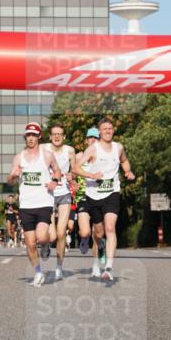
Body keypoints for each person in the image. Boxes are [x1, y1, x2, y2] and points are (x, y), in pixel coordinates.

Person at [73, 119, 136, 282]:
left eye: (110, 128)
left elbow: (124, 161)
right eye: (104, 129)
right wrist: (91, 175)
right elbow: (75, 168)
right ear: (100, 132)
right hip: (93, 195)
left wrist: (128, 172)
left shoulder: (118, 147)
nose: (108, 131)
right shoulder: (93, 149)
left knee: (110, 227)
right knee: (98, 233)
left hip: (112, 193)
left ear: (113, 130)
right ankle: (99, 247)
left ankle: (108, 267)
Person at [7, 122, 61, 287]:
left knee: (42, 236)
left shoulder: (47, 155)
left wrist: (54, 181)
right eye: (28, 136)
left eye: (33, 135)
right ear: (25, 138)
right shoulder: (19, 157)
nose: (30, 138)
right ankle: (38, 273)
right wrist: (13, 176)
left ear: (39, 137)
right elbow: (9, 181)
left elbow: (57, 171)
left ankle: (45, 245)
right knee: (30, 243)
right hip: (26, 204)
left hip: (44, 201)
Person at [41, 123, 76, 281]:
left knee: (62, 233)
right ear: (50, 136)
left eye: (60, 134)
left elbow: (74, 171)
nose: (57, 137)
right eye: (54, 134)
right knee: (53, 236)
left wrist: (71, 176)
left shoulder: (70, 150)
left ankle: (59, 268)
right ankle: (46, 244)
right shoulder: (43, 149)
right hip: (47, 194)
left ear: (64, 136)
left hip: (64, 194)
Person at [73, 128, 100, 261]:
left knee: (98, 233)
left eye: (96, 138)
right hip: (83, 197)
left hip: (99, 197)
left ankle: (96, 266)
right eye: (90, 137)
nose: (93, 140)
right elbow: (71, 174)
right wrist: (73, 182)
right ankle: (84, 238)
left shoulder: (103, 157)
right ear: (86, 140)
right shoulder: (79, 157)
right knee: (85, 231)